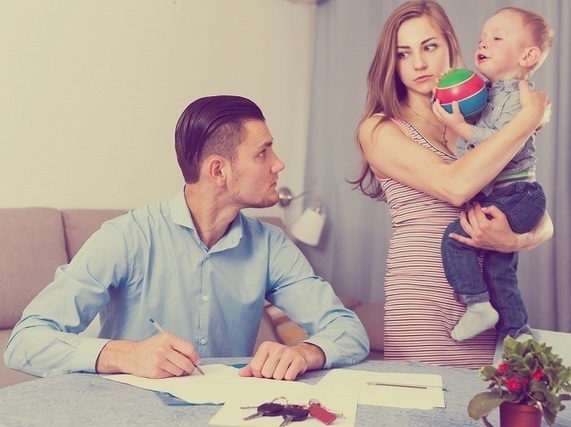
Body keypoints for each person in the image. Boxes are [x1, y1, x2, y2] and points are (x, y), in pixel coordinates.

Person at [4, 95, 369, 381]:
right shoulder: (126, 238)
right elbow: (25, 341)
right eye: (263, 152)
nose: (278, 163)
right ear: (218, 170)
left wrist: (305, 352)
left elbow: (347, 329)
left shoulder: (271, 245)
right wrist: (125, 355)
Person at [351, 0, 552, 369]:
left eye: (429, 47)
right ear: (391, 63)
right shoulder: (381, 129)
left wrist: (514, 240)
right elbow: (455, 186)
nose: (419, 63)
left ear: (449, 46)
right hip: (422, 306)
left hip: (484, 307)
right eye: (403, 53)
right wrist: (528, 118)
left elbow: (539, 212)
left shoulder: (483, 117)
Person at [435, 7, 553, 343]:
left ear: (528, 55)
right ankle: (518, 331)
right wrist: (446, 88)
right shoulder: (491, 92)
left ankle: (477, 305)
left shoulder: (521, 97)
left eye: (496, 38)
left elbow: (503, 145)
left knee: (455, 240)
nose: (483, 44)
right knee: (500, 271)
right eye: (481, 38)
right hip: (508, 195)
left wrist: (461, 129)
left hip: (518, 194)